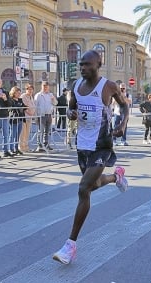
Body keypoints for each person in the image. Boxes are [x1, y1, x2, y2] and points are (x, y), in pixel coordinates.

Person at [52, 50, 129, 265]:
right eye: (81, 64)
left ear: (98, 64)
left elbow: (124, 105)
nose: (83, 68)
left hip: (102, 145)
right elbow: (70, 108)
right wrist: (70, 113)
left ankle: (70, 245)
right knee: (93, 185)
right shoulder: (75, 86)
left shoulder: (108, 86)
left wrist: (122, 124)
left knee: (83, 189)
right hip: (82, 145)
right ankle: (116, 177)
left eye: (87, 64)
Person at [34, 81, 57, 152]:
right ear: (42, 86)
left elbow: (56, 103)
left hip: (49, 115)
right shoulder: (38, 95)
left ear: (48, 87)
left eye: (46, 86)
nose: (45, 87)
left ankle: (46, 144)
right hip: (41, 115)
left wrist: (53, 99)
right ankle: (40, 145)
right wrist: (36, 116)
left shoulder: (50, 95)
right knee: (40, 131)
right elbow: (35, 105)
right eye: (44, 86)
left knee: (47, 131)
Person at [8, 86, 25, 155]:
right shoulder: (11, 100)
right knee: (13, 134)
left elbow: (24, 106)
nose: (19, 94)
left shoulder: (20, 100)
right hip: (14, 119)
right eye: (17, 93)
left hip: (20, 119)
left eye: (19, 93)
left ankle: (16, 148)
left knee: (18, 135)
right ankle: (11, 149)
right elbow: (11, 109)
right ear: (13, 93)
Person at [19, 83, 35, 152]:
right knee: (23, 133)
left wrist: (32, 113)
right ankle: (21, 147)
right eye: (29, 89)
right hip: (24, 117)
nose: (30, 91)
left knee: (27, 132)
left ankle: (26, 146)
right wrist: (30, 113)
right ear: (26, 90)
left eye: (31, 90)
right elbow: (24, 107)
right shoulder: (23, 96)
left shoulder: (31, 97)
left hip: (29, 117)